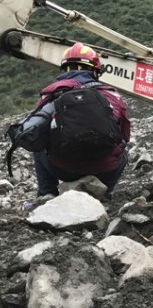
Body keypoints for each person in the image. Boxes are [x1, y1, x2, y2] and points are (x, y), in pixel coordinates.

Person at [15, 43, 131, 199]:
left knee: (40, 145)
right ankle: (106, 193)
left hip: (63, 170)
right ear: (95, 70)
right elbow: (125, 135)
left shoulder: (50, 94)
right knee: (124, 148)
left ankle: (46, 194)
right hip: (106, 171)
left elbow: (37, 133)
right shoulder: (112, 95)